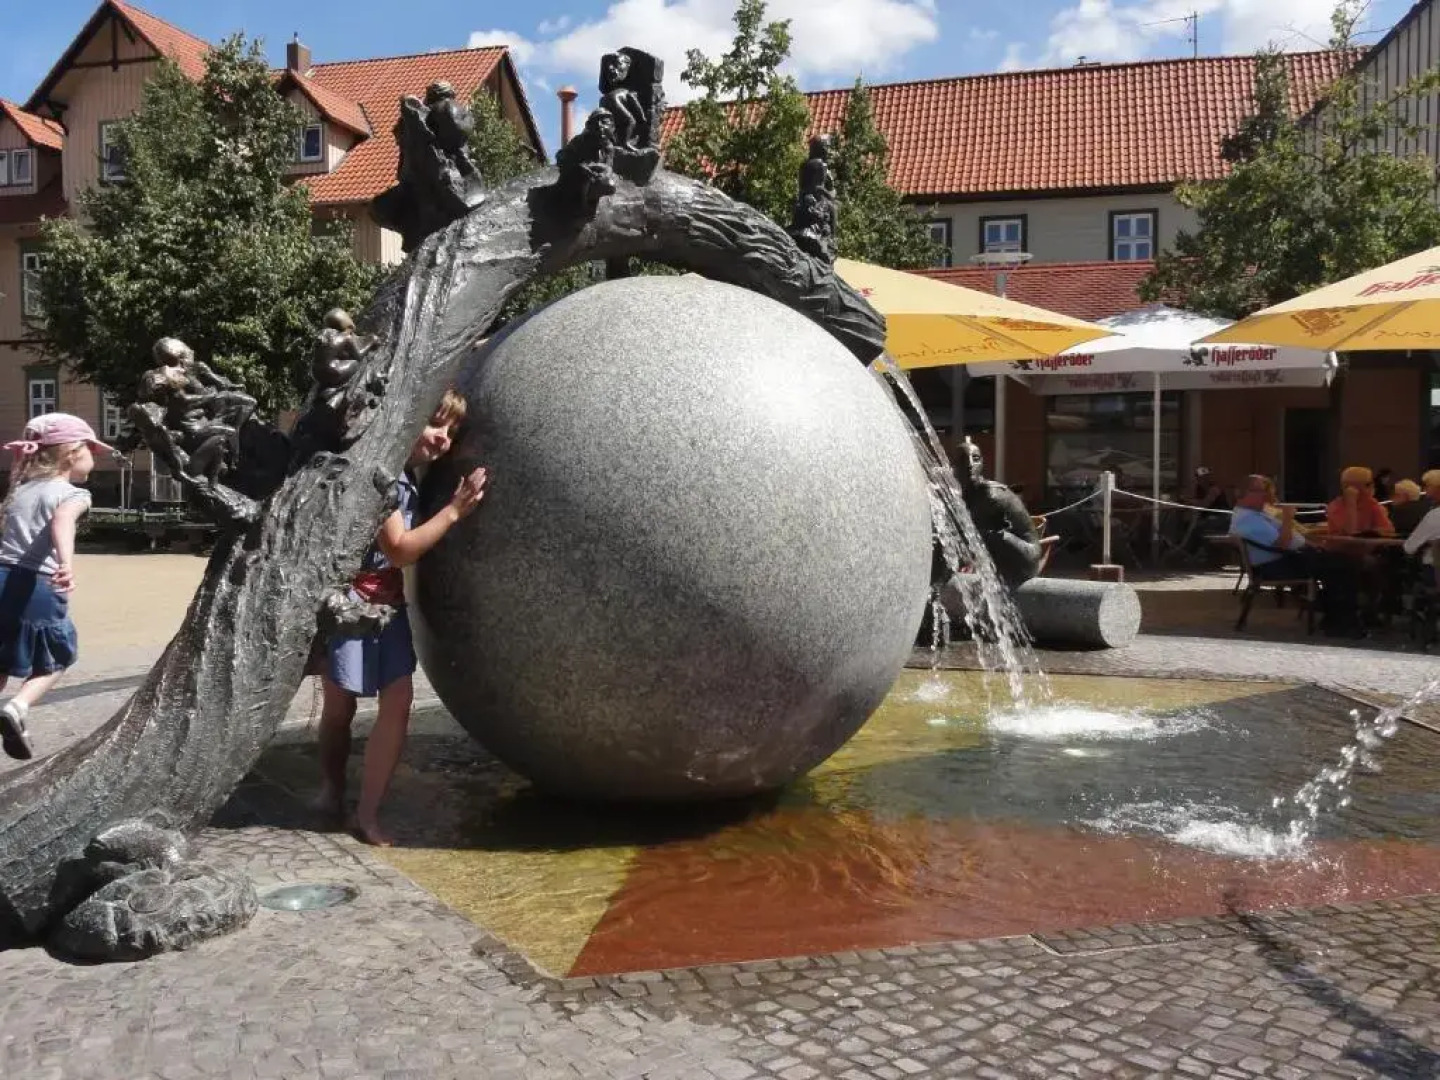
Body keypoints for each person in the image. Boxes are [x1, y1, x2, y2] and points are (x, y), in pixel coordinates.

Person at [314, 390, 487, 845]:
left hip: (387, 605)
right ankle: (332, 787)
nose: (443, 438)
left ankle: (367, 814)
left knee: (399, 701)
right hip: (350, 605)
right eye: (436, 423)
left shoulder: (411, 475)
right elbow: (399, 548)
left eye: (451, 431)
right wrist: (454, 511)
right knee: (339, 707)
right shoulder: (380, 474)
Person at [0, 414, 112, 759]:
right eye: (92, 449)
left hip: (1, 577)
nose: (96, 457)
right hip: (37, 585)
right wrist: (65, 563)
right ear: (72, 453)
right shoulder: (74, 494)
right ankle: (17, 707)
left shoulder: (19, 490)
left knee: (1, 656)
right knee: (57, 656)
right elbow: (62, 522)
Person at [1230, 473, 1363, 637]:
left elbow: (1290, 539)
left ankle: (1336, 617)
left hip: (1287, 559)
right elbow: (1284, 543)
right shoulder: (1247, 519)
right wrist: (1287, 518)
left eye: (1265, 490)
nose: (1265, 495)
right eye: (1260, 491)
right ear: (1243, 493)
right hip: (1277, 566)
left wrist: (1315, 546)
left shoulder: (1256, 514)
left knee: (1342, 562)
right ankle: (1342, 622)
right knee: (1344, 565)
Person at [1325, 465, 1394, 537]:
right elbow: (1349, 533)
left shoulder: (1371, 503)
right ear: (1350, 487)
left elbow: (1388, 530)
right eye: (1368, 484)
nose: (1373, 487)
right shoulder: (1336, 507)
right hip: (1341, 544)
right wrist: (1351, 504)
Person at [1402, 469, 1440, 585]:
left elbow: (1409, 547)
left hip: (1434, 572)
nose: (1424, 490)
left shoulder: (1434, 515)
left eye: (1427, 486)